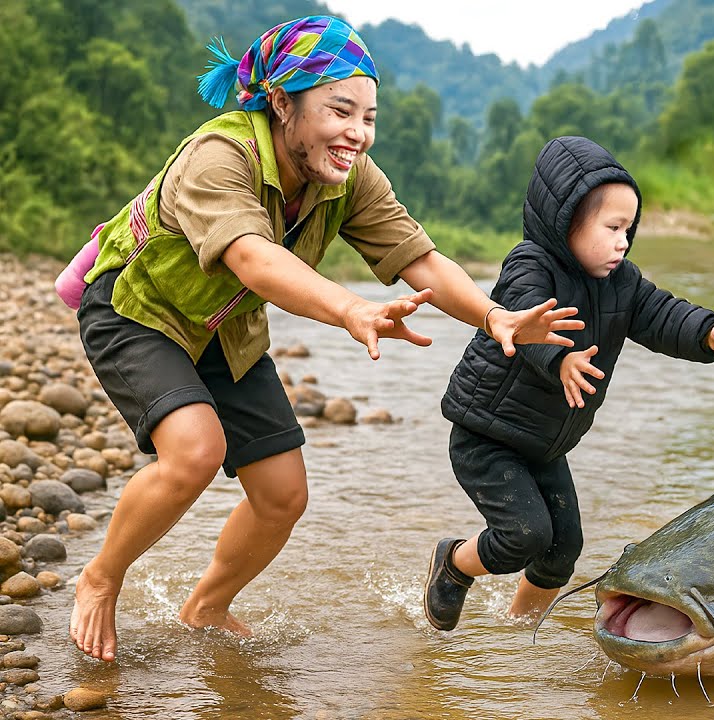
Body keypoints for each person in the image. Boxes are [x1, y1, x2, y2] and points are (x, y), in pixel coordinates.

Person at [63, 16, 582, 662]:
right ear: (282, 103)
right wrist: (351, 310)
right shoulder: (219, 157)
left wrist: (493, 317)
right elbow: (253, 260)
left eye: (368, 118)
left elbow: (420, 258)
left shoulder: (350, 176)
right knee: (195, 451)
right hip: (137, 310)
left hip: (226, 329)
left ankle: (206, 607)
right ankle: (101, 577)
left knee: (283, 494)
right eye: (341, 111)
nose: (357, 133)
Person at [424, 136, 714, 631]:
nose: (622, 242)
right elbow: (524, 320)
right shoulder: (529, 265)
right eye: (611, 228)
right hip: (488, 433)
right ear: (567, 222)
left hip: (545, 443)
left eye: (628, 229)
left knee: (563, 550)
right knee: (524, 535)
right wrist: (560, 360)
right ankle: (454, 563)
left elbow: (663, 314)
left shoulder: (623, 282)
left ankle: (519, 633)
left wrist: (711, 335)